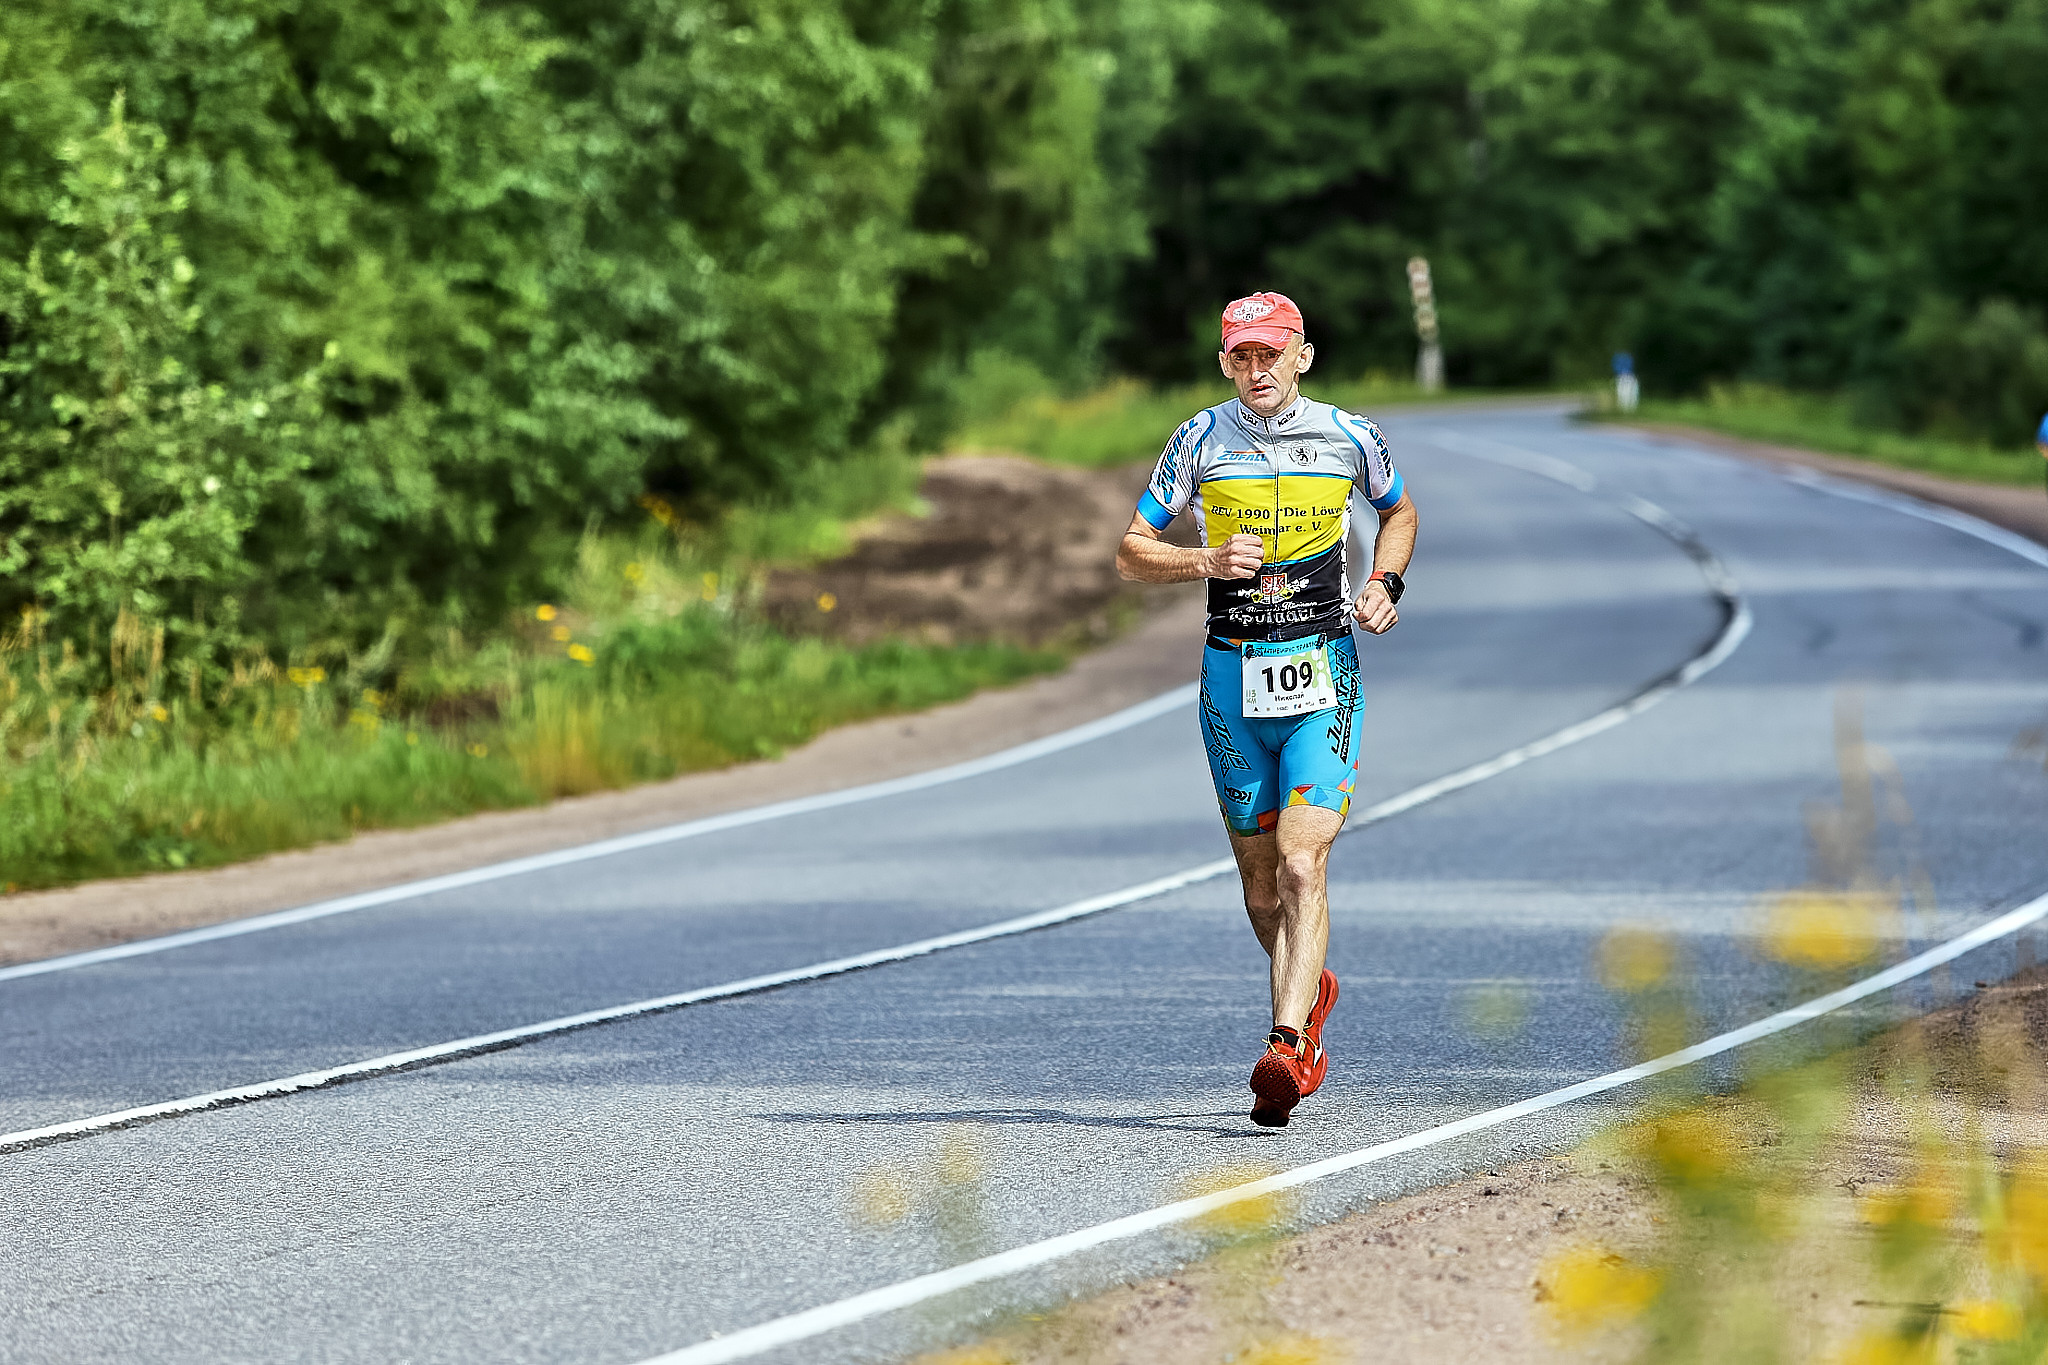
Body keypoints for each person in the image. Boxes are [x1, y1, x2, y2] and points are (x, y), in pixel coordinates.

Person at [1115, 292, 1418, 1127]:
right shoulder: (1200, 440)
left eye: (1271, 354)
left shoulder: (1350, 436)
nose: (1257, 370)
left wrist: (1385, 582)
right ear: (1225, 364)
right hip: (1231, 677)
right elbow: (1131, 552)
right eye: (1241, 357)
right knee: (1258, 889)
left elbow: (1398, 510)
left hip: (1323, 670)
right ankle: (1308, 985)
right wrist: (1204, 557)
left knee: (1299, 862)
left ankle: (1288, 1044)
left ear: (1303, 355)